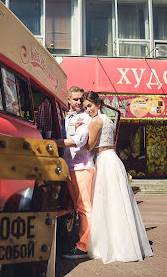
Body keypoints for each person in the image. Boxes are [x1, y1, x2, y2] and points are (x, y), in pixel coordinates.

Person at [80, 91, 153, 264]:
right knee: (118, 202)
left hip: (105, 161)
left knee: (106, 203)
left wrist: (77, 132)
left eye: (89, 106)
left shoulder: (96, 121)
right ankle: (125, 244)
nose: (88, 110)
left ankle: (109, 245)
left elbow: (90, 146)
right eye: (85, 108)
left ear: (97, 104)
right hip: (114, 160)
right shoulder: (108, 120)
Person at [56, 86, 95, 259]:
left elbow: (79, 140)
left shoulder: (85, 117)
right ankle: (83, 242)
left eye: (81, 99)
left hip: (82, 167)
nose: (79, 102)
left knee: (84, 208)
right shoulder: (66, 116)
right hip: (71, 167)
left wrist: (52, 142)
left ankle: (83, 247)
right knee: (78, 207)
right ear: (68, 100)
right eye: (76, 99)